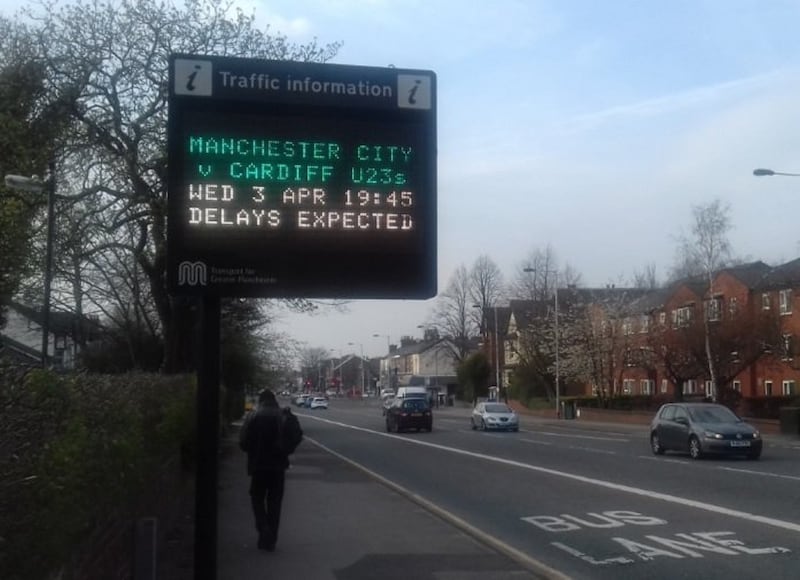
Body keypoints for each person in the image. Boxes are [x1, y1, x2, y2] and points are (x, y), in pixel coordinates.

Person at [239, 388, 303, 551]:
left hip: (258, 465)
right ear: (274, 400)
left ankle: (262, 527)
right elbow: (297, 435)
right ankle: (271, 539)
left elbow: (243, 442)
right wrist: (286, 449)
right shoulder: (283, 416)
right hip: (278, 466)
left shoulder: (252, 416)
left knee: (256, 497)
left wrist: (253, 450)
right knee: (275, 502)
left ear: (260, 401)